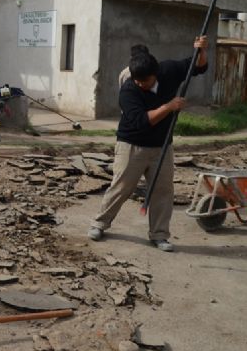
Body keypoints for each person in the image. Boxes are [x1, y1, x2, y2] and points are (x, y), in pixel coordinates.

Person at [88, 36, 210, 252]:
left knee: (163, 191)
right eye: (137, 80)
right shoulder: (129, 89)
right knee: (121, 187)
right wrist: (170, 106)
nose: (141, 84)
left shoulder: (170, 70)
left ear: (156, 73)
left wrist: (201, 50)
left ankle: (159, 235)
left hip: (162, 145)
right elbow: (144, 121)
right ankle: (100, 223)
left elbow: (198, 67)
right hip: (132, 144)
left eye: (145, 81)